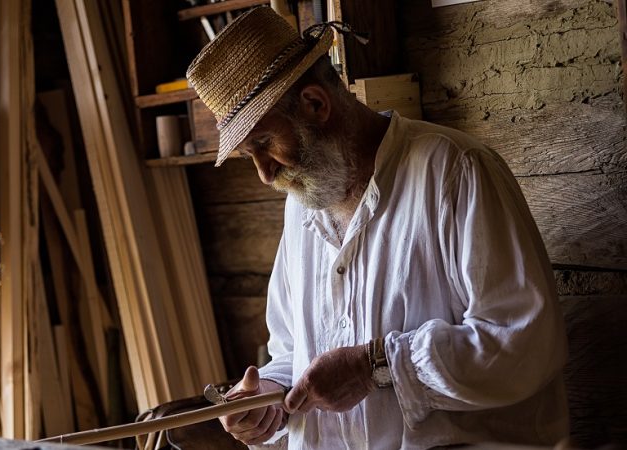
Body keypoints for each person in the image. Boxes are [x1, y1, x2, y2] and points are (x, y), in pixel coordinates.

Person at [186, 6, 569, 450]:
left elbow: (523, 344)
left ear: (315, 104)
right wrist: (271, 395)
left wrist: (375, 366)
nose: (264, 174)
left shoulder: (454, 172)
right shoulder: (303, 204)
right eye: (249, 156)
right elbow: (294, 351)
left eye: (264, 144)